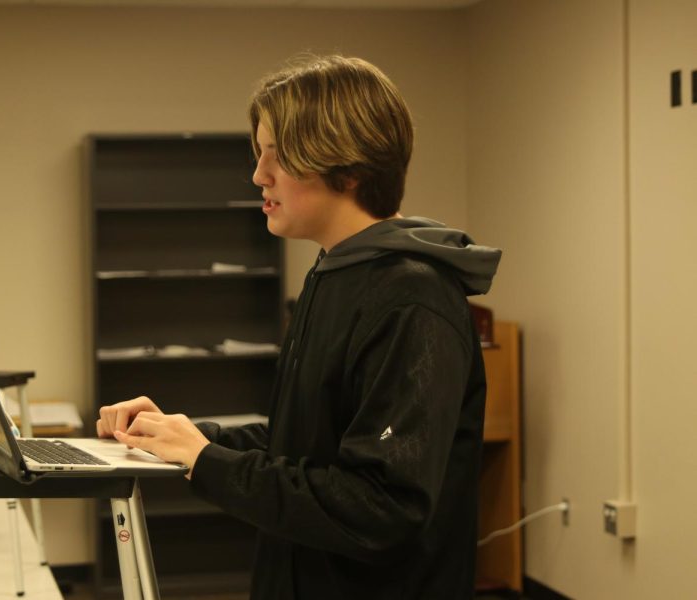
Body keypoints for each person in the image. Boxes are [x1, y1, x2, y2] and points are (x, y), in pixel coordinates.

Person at [96, 55, 502, 599]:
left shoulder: (412, 299)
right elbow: (309, 442)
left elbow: (382, 506)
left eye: (277, 155)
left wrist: (206, 463)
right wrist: (184, 438)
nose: (258, 174)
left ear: (349, 166)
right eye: (258, 153)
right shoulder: (335, 273)